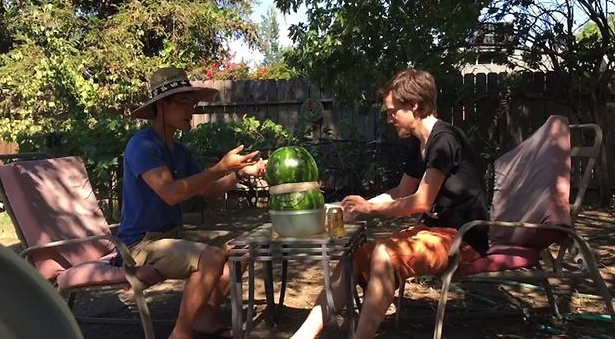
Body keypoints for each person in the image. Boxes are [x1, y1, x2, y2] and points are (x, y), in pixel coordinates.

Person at [291, 68, 490, 339]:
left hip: (463, 238)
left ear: (414, 105)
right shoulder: (421, 143)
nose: (388, 118)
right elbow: (401, 191)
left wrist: (370, 209)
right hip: (432, 232)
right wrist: (358, 206)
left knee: (385, 255)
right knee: (355, 257)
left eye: (392, 111)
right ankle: (303, 335)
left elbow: (420, 202)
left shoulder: (444, 141)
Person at [118, 67, 266, 339]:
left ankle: (205, 319)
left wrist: (240, 173)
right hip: (140, 244)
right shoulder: (142, 146)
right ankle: (181, 332)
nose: (191, 109)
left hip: (174, 235)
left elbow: (208, 191)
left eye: (193, 103)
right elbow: (171, 193)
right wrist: (218, 167)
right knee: (210, 257)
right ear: (162, 105)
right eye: (183, 102)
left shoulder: (180, 151)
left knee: (244, 246)